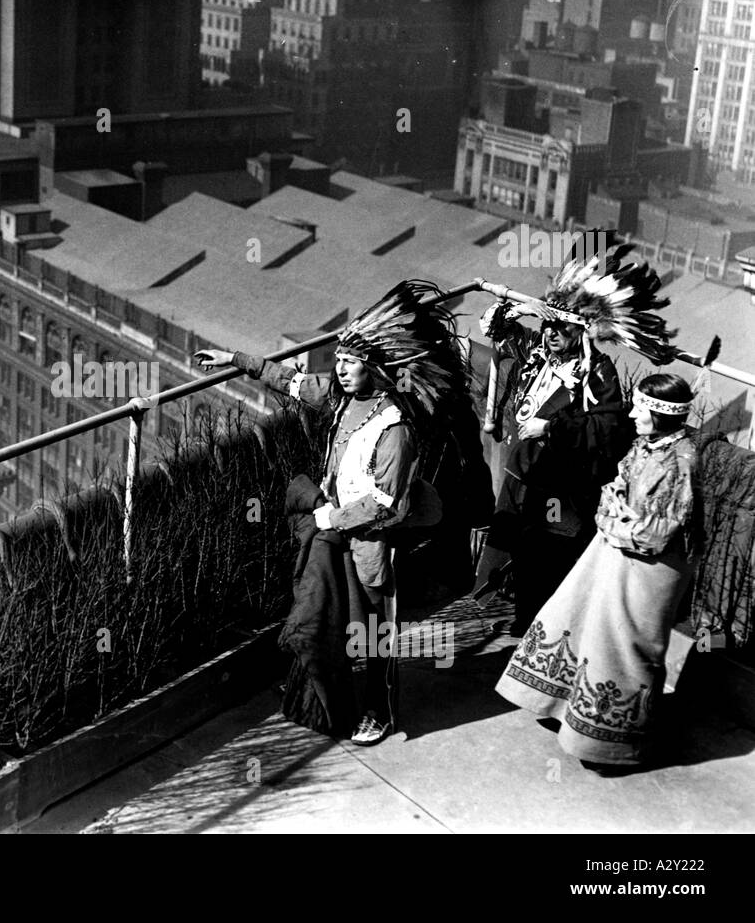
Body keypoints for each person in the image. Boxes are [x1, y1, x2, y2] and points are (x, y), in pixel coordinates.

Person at [197, 280, 477, 746]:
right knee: (324, 609)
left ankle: (379, 711)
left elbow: (390, 502)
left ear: (374, 369)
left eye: (351, 362)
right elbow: (289, 380)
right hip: (334, 530)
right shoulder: (340, 398)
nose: (341, 369)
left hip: (370, 541)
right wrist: (235, 359)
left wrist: (333, 519)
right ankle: (317, 686)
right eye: (340, 361)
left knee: (372, 629)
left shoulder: (395, 427)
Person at [494, 374, 703, 771]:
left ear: (661, 414)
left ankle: (615, 745)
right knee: (576, 616)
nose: (633, 412)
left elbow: (661, 531)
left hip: (654, 567)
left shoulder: (683, 461)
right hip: (614, 547)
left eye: (642, 408)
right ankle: (564, 707)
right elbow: (613, 489)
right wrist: (614, 516)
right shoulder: (644, 446)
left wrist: (616, 523)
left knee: (626, 646)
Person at [473, 244, 672, 635]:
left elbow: (606, 429)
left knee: (548, 552)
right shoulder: (536, 354)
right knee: (514, 542)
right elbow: (497, 328)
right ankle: (519, 610)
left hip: (560, 486)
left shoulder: (597, 374)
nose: (550, 336)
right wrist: (522, 309)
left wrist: (551, 429)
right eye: (547, 328)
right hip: (520, 473)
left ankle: (541, 621)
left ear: (580, 331)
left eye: (561, 329)